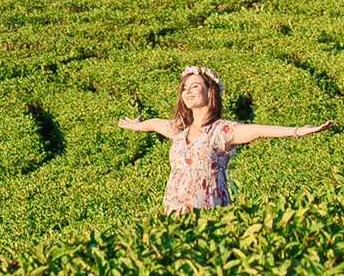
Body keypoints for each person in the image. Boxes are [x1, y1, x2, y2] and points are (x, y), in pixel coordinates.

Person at [118, 65, 331, 215]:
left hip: (208, 209)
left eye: (194, 86)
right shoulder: (179, 130)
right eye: (184, 88)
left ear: (210, 91)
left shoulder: (222, 130)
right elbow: (154, 123)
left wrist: (297, 131)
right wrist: (137, 125)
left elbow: (257, 130)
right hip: (174, 210)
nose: (187, 91)